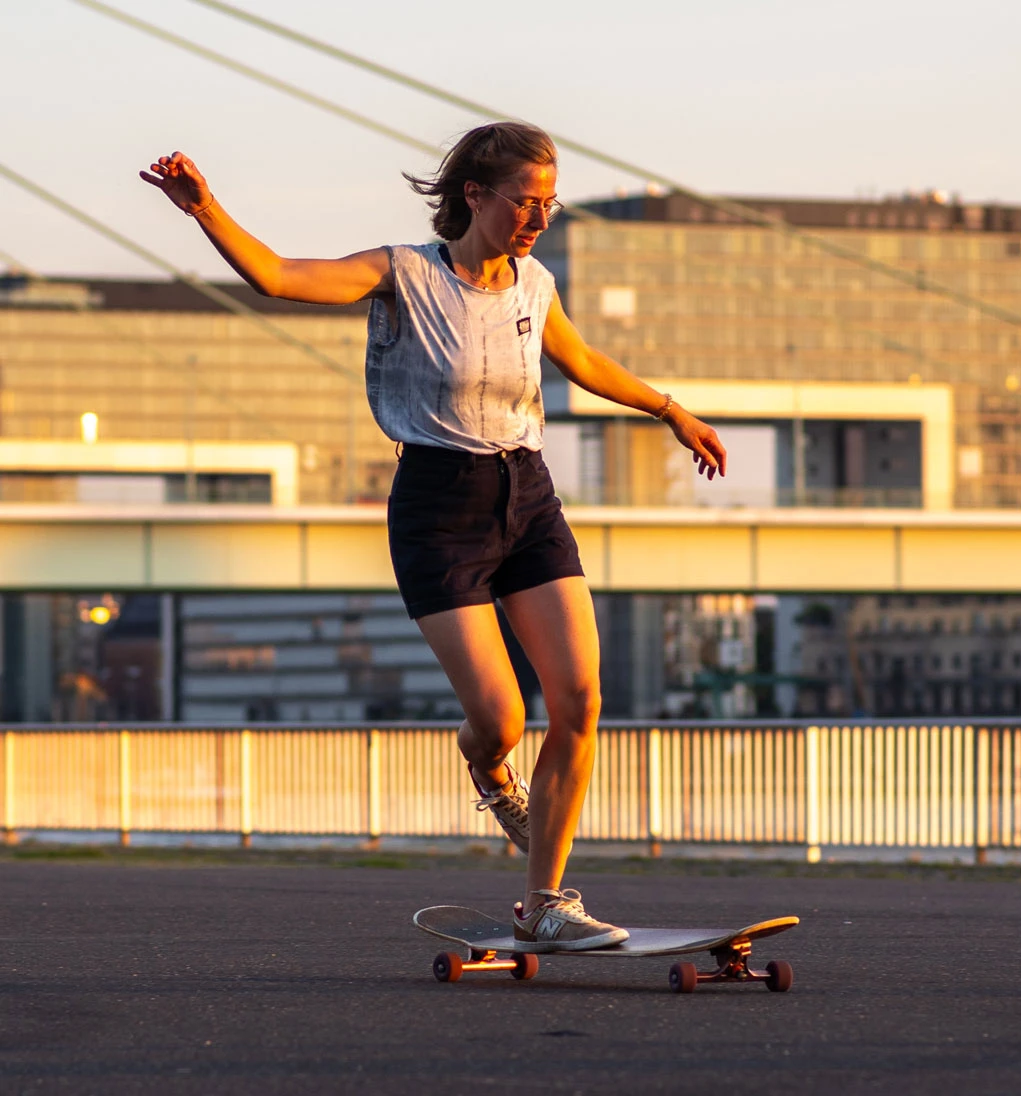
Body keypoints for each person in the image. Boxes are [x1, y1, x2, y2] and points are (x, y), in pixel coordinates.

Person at [141, 122, 726, 952]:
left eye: (549, 205)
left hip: (526, 497)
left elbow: (583, 360)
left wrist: (672, 411)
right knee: (501, 718)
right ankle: (488, 767)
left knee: (581, 699)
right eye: (524, 202)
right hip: (437, 509)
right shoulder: (402, 274)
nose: (538, 218)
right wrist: (206, 211)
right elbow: (279, 278)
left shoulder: (535, 285)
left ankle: (548, 905)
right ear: (475, 195)